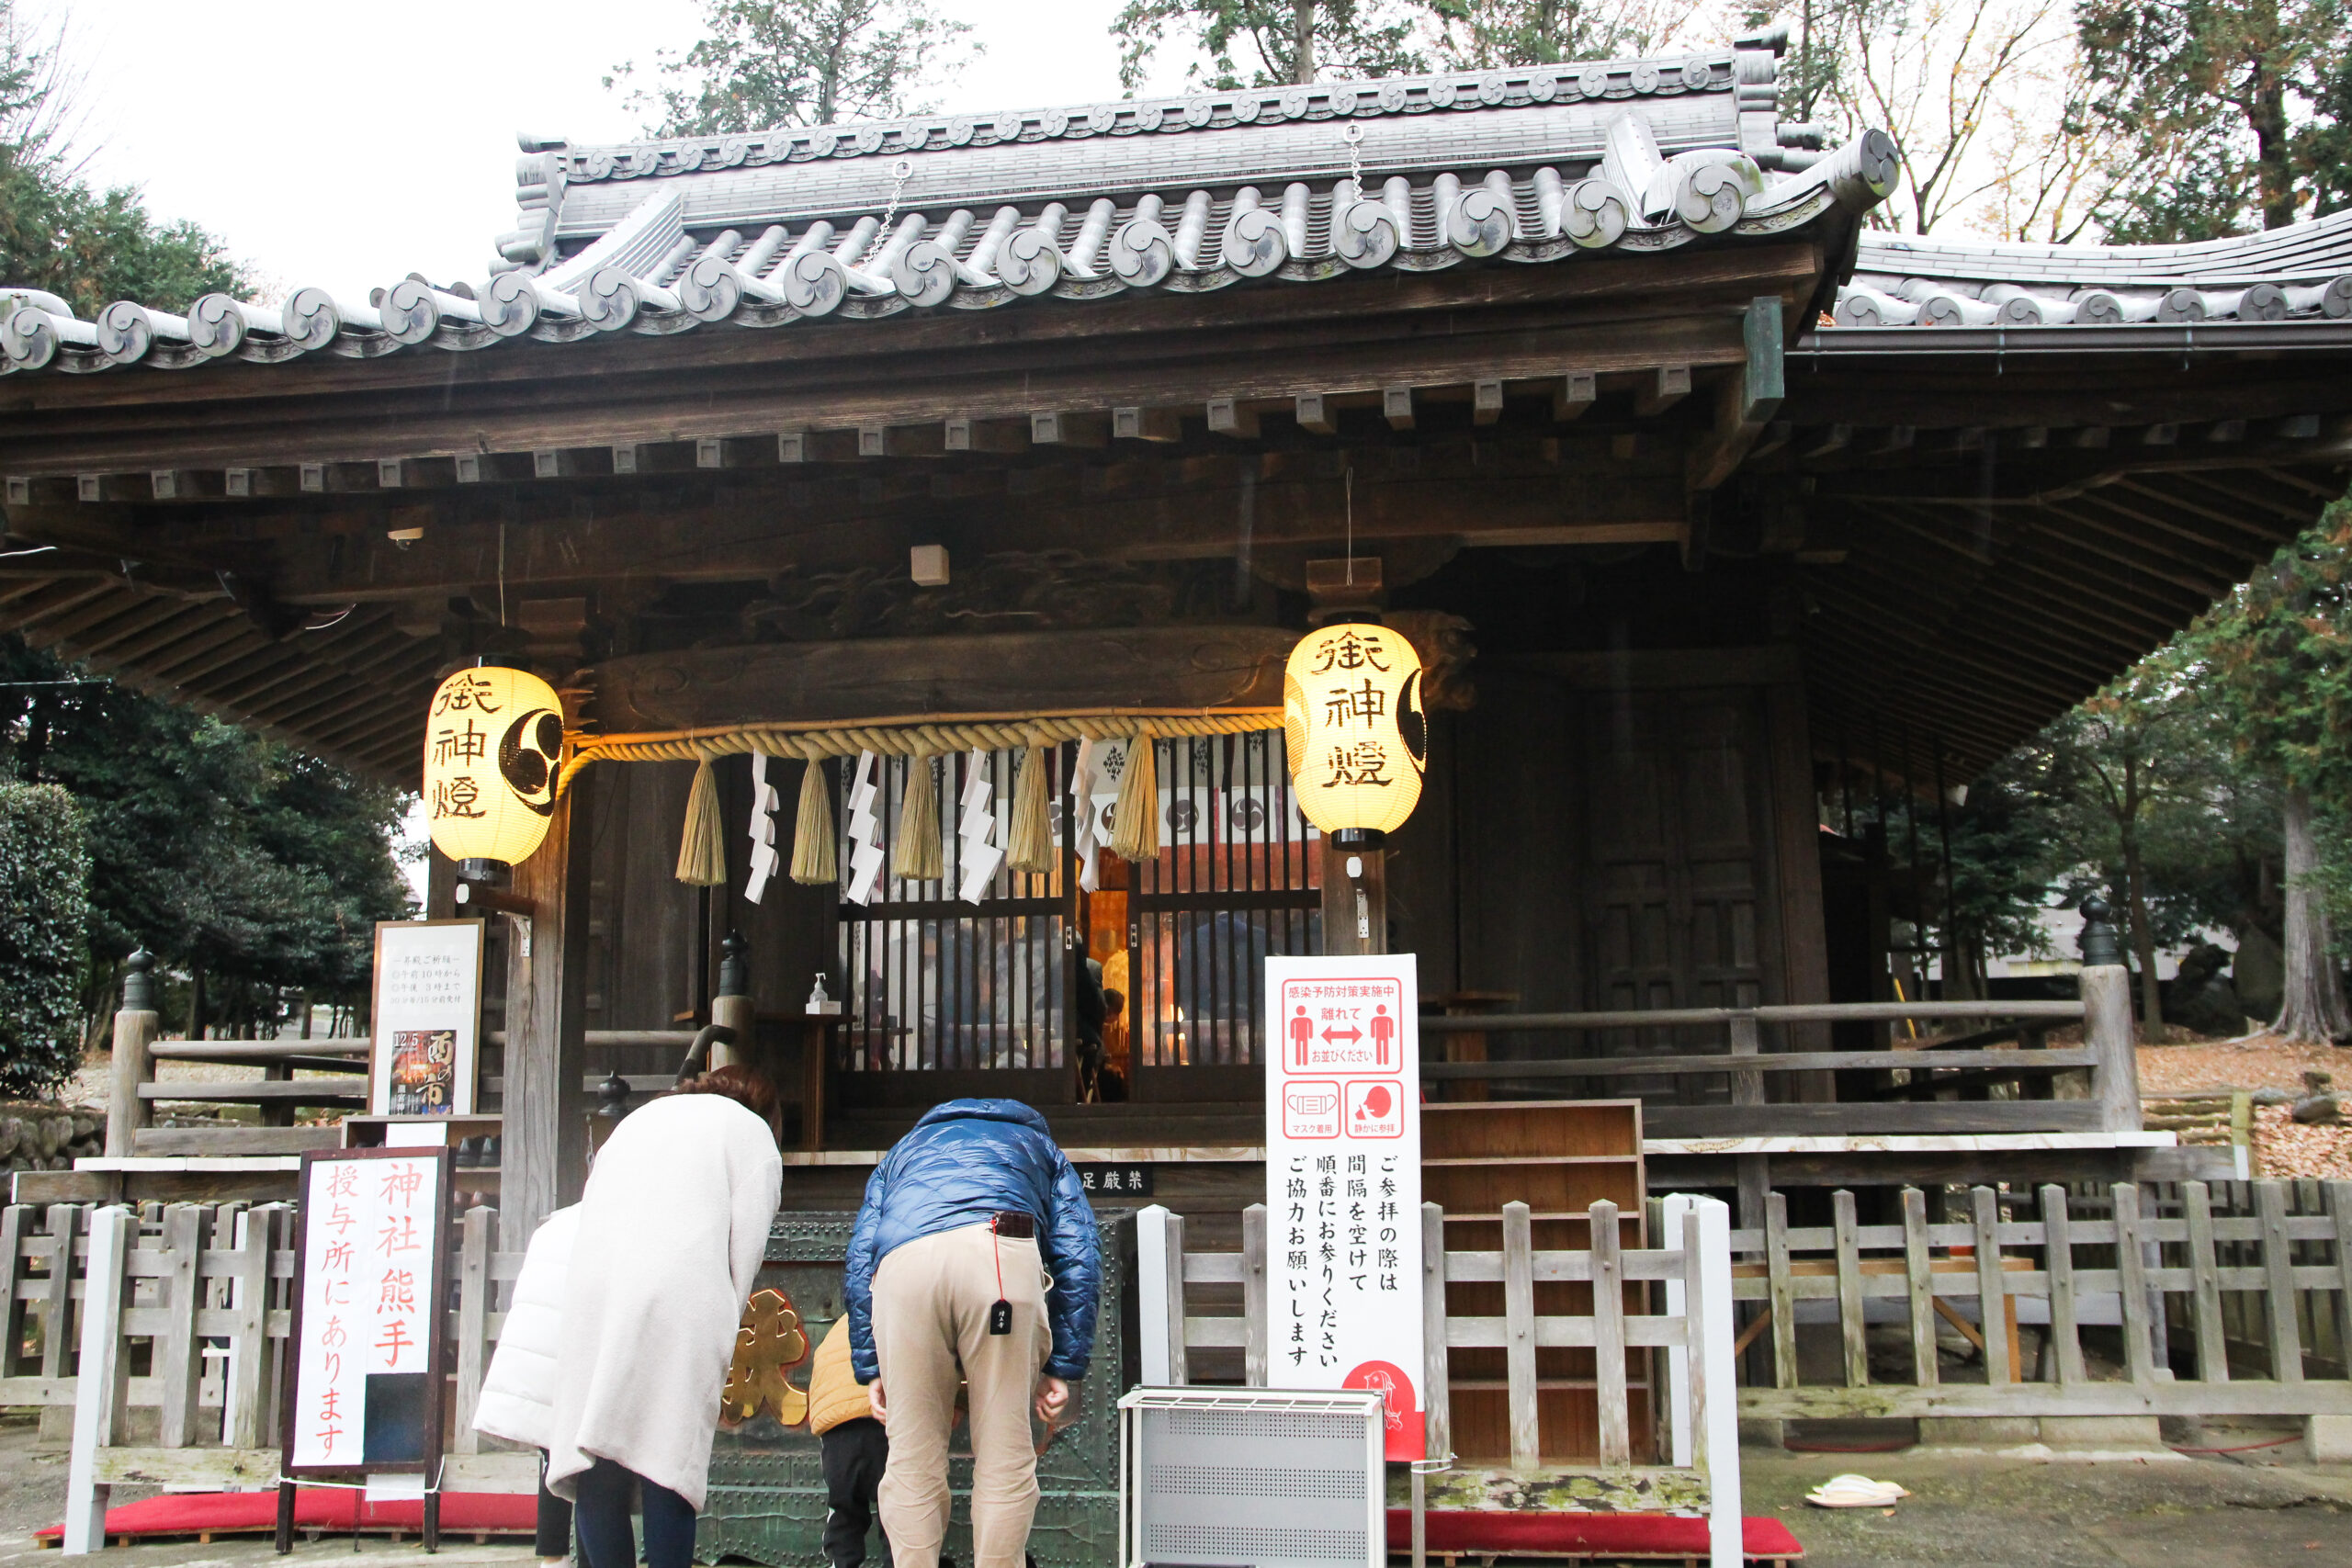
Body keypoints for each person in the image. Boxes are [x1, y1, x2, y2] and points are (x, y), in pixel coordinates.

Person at [544, 1066, 784, 1568]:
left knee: (597, 1453)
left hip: (595, 1288)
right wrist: (724, 1315)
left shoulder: (637, 1121)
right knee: (668, 1460)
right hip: (681, 1292)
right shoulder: (750, 1130)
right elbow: (748, 1244)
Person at [845, 1100, 1100, 1568]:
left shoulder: (903, 1151)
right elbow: (1077, 1253)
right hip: (1000, 1255)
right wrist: (1062, 1364)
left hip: (905, 1268)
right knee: (1005, 1455)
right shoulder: (1039, 1146)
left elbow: (861, 1255)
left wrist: (871, 1364)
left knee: (911, 1461)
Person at [470, 1202, 581, 1568]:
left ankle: (551, 1555)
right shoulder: (610, 1224)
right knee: (587, 1467)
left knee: (553, 1454)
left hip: (539, 1357)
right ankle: (578, 1555)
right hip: (575, 1357)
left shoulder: (553, 1228)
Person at [806, 1316, 887, 1568]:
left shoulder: (839, 1327)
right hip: (884, 1426)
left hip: (838, 1432)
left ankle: (841, 1563)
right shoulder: (896, 1310)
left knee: (844, 1512)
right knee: (896, 1516)